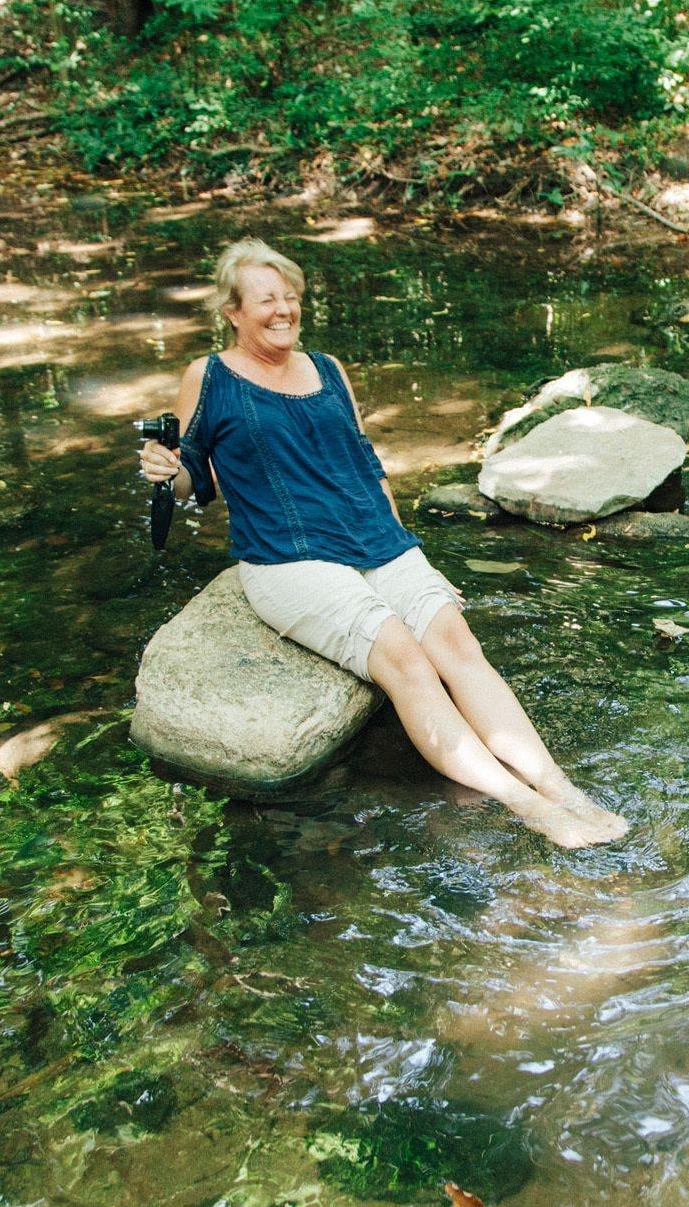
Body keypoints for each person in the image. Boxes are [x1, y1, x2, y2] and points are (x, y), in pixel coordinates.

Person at [138, 239, 629, 849]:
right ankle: (525, 804)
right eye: (266, 299)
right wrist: (165, 470)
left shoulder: (329, 369)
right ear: (233, 312)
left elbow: (366, 465)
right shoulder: (208, 377)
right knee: (406, 661)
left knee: (457, 642)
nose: (283, 309)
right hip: (290, 557)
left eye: (291, 296)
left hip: (376, 540)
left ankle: (560, 787)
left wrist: (405, 547)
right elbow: (195, 478)